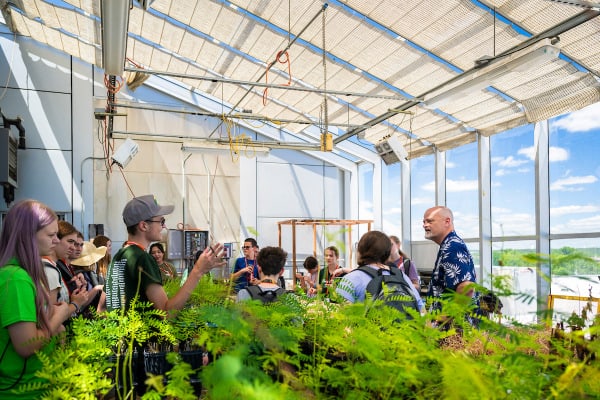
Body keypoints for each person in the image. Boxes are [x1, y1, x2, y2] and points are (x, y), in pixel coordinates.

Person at [0, 200, 74, 398]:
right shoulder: (16, 279)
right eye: (51, 235)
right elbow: (26, 345)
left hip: (39, 386)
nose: (57, 241)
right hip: (22, 392)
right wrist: (60, 316)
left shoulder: (27, 274)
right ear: (27, 237)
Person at [104, 194, 226, 313]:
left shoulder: (118, 256)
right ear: (144, 225)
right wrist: (198, 271)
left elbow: (105, 306)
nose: (164, 226)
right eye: (161, 221)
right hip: (139, 333)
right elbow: (166, 313)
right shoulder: (143, 258)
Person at [335, 230, 424, 312]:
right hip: (405, 328)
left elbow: (342, 319)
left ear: (360, 250)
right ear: (387, 252)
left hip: (368, 329)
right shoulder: (401, 275)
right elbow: (422, 310)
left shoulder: (351, 279)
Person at [423, 206, 478, 327]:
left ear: (447, 222)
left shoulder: (452, 246)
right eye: (424, 222)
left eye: (430, 221)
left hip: (454, 332)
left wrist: (444, 317)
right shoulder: (449, 244)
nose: (425, 225)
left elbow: (467, 287)